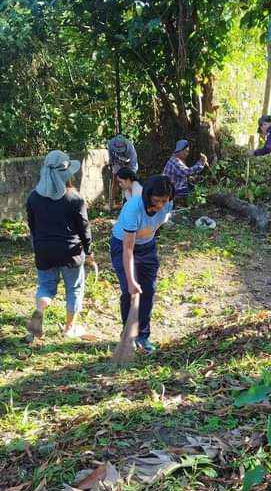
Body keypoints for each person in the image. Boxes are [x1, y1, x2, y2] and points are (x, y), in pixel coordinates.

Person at [25, 150, 95, 340]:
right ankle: (69, 328)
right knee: (74, 288)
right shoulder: (74, 198)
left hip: (44, 251)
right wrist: (89, 251)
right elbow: (84, 227)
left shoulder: (33, 197)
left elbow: (33, 226)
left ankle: (40, 309)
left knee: (46, 287)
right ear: (66, 174)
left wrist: (38, 246)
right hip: (70, 252)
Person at [110, 175, 174, 355]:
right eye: (156, 200)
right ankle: (128, 335)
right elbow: (128, 249)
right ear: (147, 196)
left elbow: (157, 224)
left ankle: (143, 336)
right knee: (128, 292)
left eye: (164, 200)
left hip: (148, 247)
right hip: (123, 246)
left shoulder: (168, 204)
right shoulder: (133, 209)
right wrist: (131, 281)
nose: (161, 205)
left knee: (148, 290)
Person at [107, 134, 139, 207]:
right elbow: (111, 157)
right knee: (115, 181)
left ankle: (128, 201)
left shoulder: (130, 148)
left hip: (129, 164)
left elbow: (134, 165)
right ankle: (111, 203)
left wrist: (131, 176)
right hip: (117, 161)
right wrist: (111, 164)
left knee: (128, 182)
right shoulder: (110, 144)